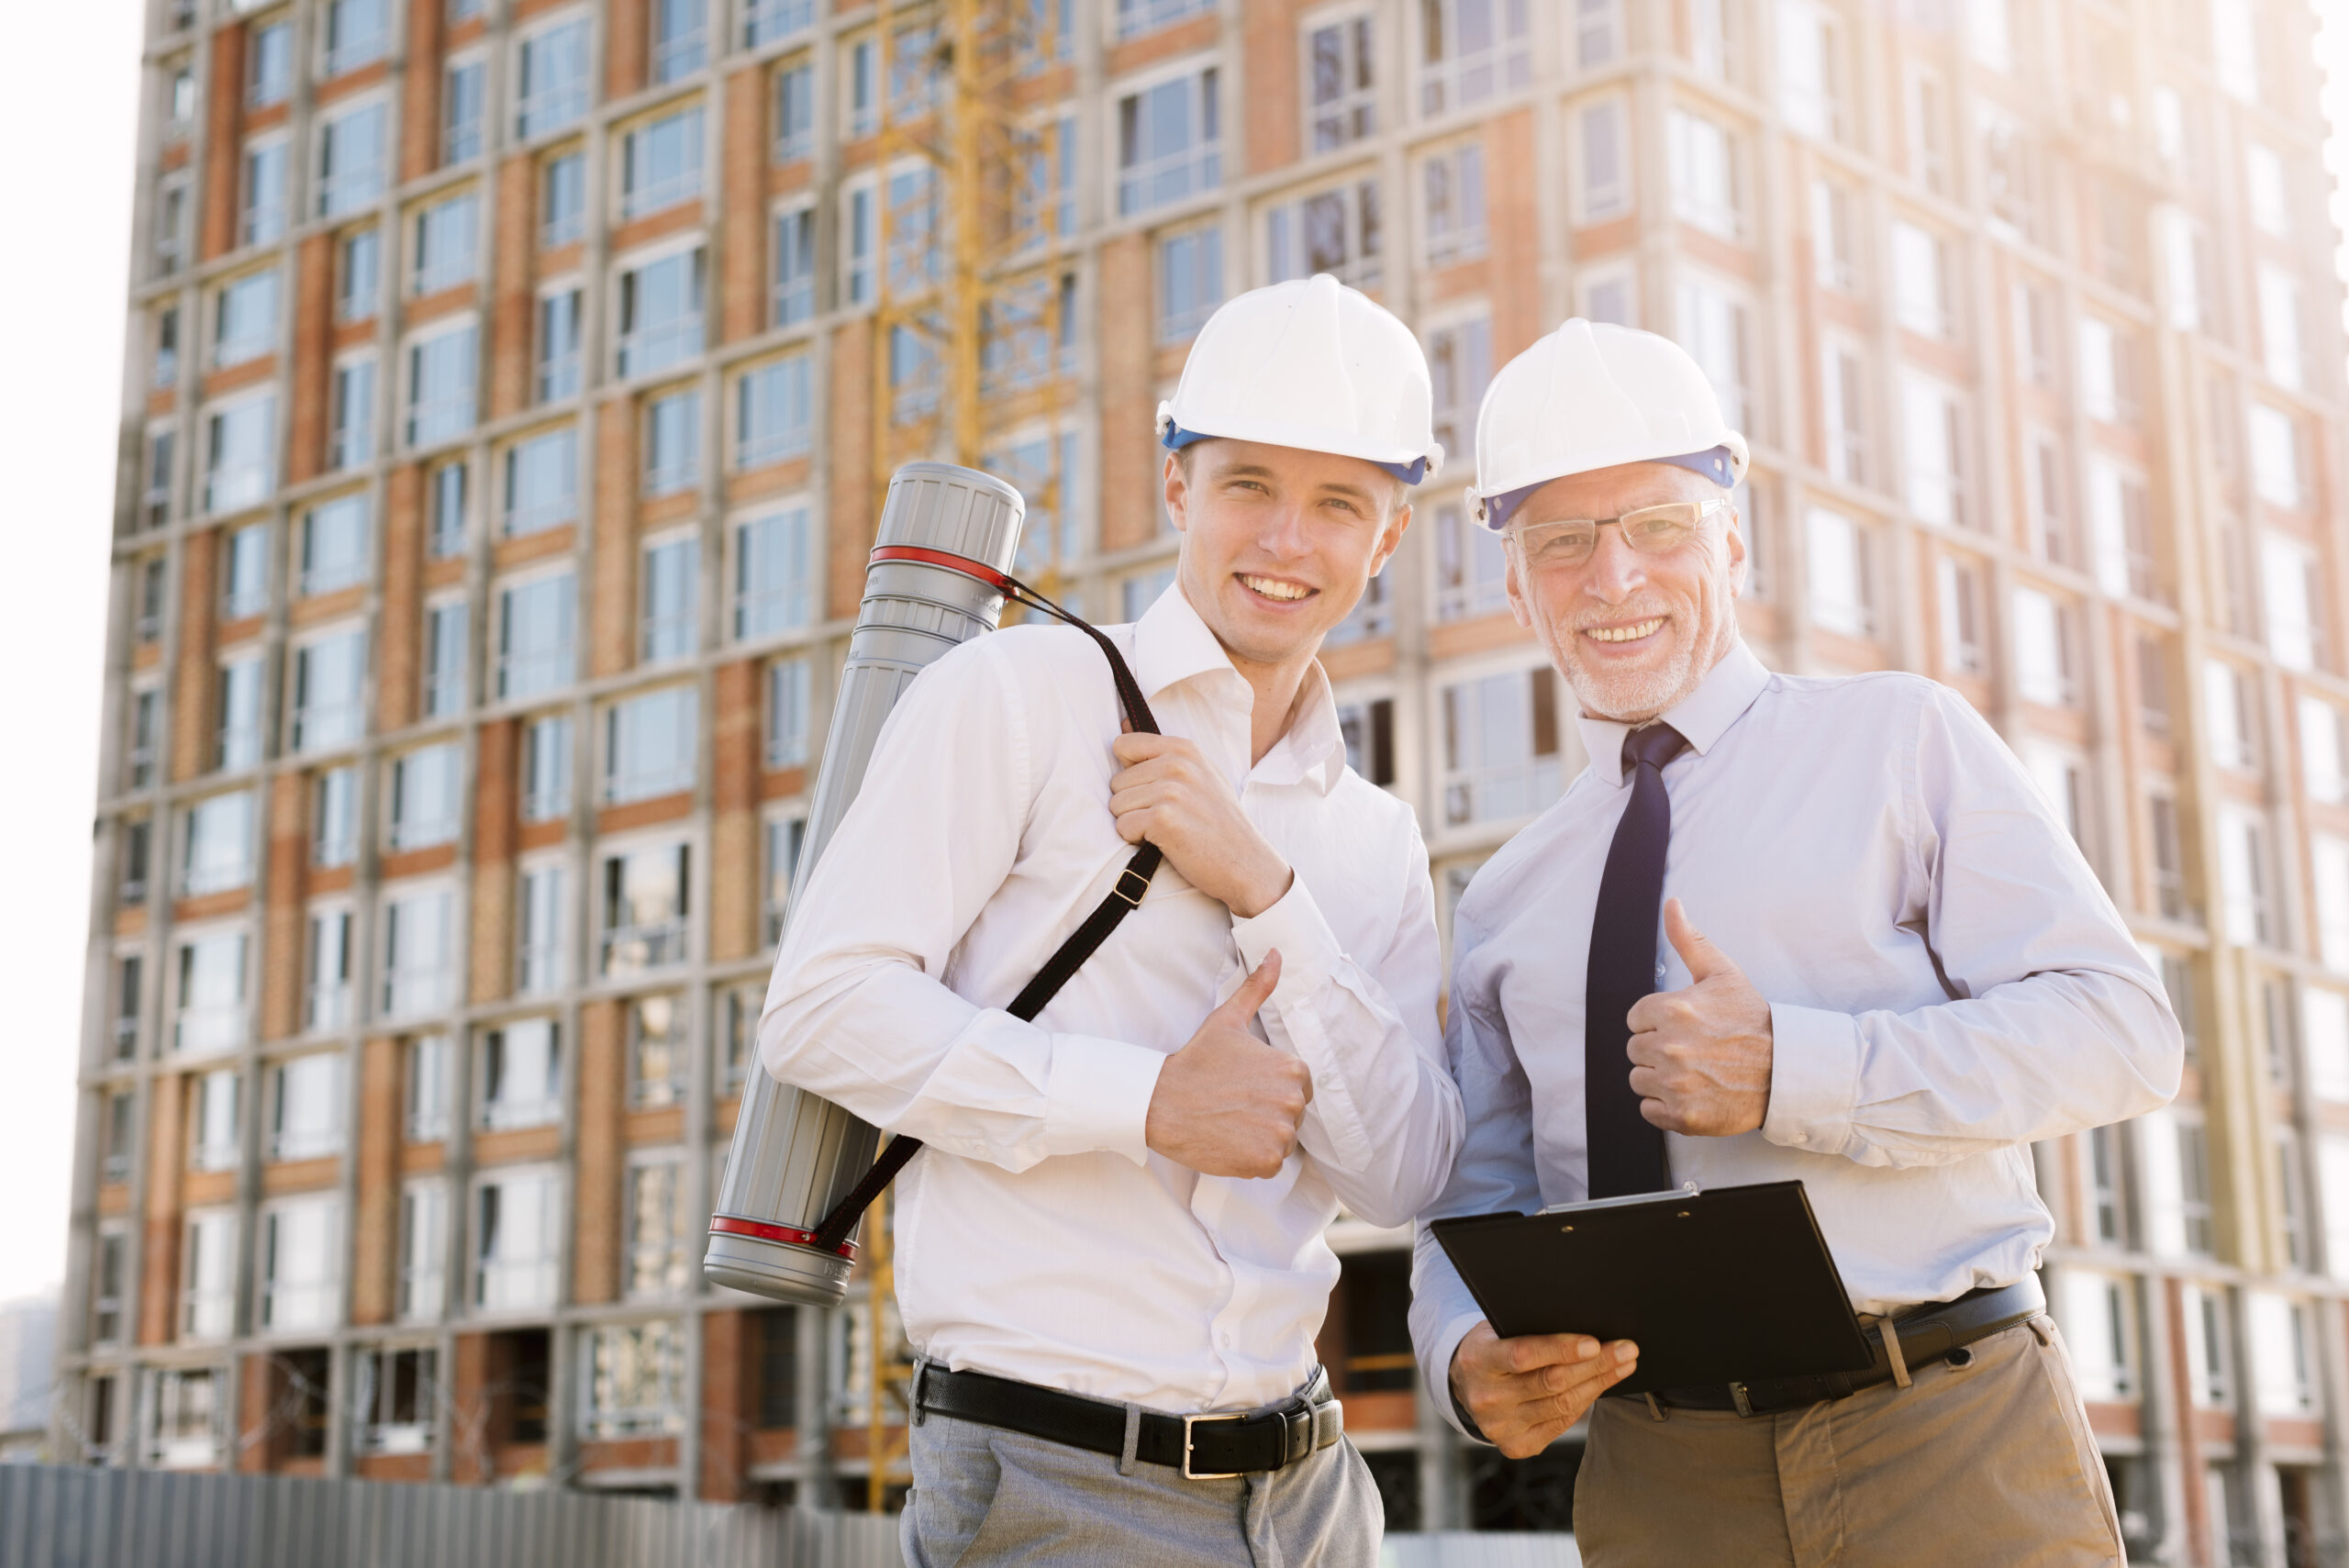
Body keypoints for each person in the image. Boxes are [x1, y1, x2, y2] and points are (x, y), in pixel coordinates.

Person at [1408, 319, 2182, 1566]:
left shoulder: (1899, 740)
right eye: (1563, 543)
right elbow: (1478, 1196)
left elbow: (2124, 1034)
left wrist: (1795, 1071)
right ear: (1515, 583)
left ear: (1734, 538)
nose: (1613, 579)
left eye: (1657, 526)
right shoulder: (1503, 894)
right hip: (1663, 1475)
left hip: (1944, 1434)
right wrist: (1458, 1350)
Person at [762, 274, 1464, 1567]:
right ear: (1178, 485)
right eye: (1250, 483)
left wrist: (1267, 891)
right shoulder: (1019, 696)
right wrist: (1146, 1102)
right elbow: (821, 1005)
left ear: (1390, 536)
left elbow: (1408, 1170)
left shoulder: (1370, 838)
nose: (1288, 540)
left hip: (1312, 1498)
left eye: (1338, 504)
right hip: (1054, 1481)